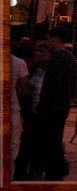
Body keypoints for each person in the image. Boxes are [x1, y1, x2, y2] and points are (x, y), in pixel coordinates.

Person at [39, 26, 77, 180]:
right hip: (63, 105)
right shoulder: (70, 58)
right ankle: (57, 171)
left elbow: (52, 86)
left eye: (48, 39)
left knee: (51, 142)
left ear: (55, 39)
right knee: (55, 140)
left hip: (53, 107)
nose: (47, 42)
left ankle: (54, 173)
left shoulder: (58, 58)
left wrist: (43, 105)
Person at [13, 40, 51, 180]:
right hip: (29, 111)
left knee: (31, 142)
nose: (38, 55)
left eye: (42, 52)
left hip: (38, 112)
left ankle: (34, 168)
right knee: (25, 142)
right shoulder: (34, 67)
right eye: (37, 52)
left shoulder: (48, 69)